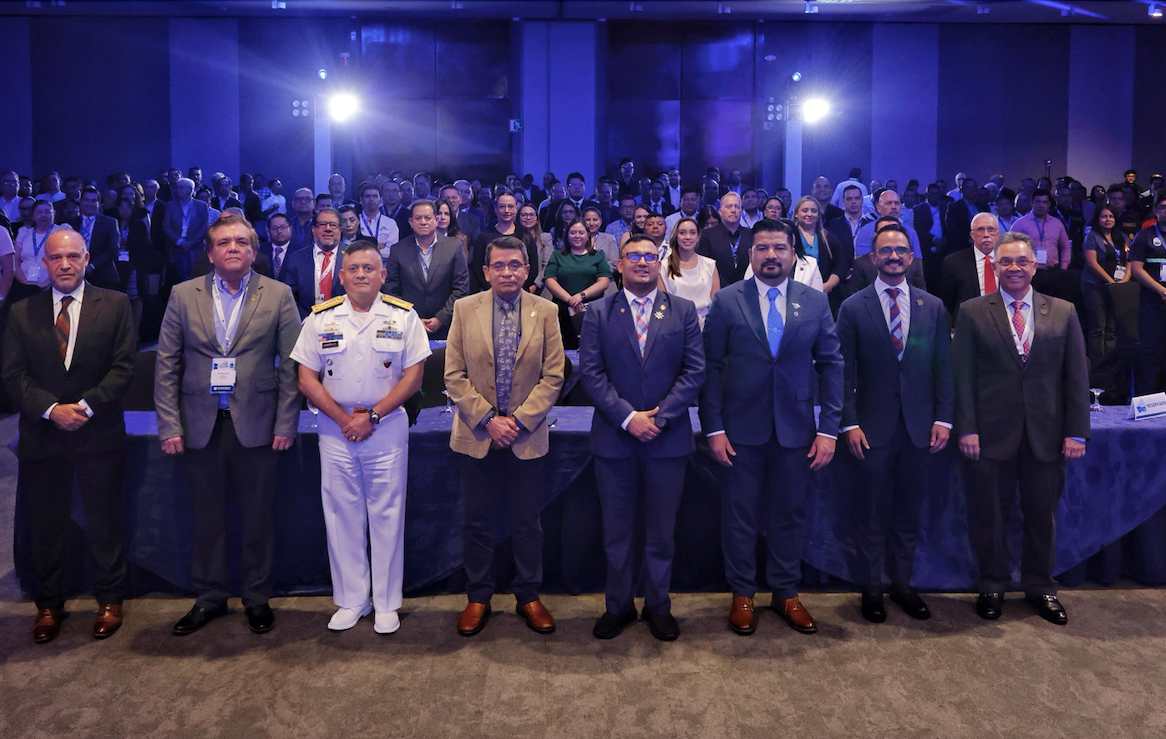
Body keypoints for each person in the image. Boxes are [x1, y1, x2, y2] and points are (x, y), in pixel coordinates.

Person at [155, 212, 301, 637]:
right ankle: (209, 596)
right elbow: (167, 363)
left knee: (257, 517)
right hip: (199, 424)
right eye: (224, 242)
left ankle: (257, 597)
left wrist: (286, 422)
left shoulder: (279, 294)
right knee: (207, 518)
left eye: (241, 242)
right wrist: (170, 425)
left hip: (258, 424)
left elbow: (292, 365)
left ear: (254, 251)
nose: (233, 248)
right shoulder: (183, 295)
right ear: (210, 252)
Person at [700, 218, 843, 636]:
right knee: (740, 516)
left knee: (790, 514)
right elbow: (711, 368)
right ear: (751, 255)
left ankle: (786, 591)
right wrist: (714, 428)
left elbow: (832, 365)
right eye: (762, 248)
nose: (771, 255)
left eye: (779, 248)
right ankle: (742, 593)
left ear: (794, 255)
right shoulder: (727, 301)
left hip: (797, 431)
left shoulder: (814, 302)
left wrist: (828, 429)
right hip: (739, 432)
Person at [2, 229, 135, 643]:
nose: (65, 264)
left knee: (104, 521)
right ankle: (48, 605)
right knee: (46, 525)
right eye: (57, 257)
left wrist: (86, 407)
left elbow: (124, 367)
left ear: (86, 258)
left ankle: (110, 599)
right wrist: (51, 410)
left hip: (98, 432)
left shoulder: (116, 305)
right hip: (43, 435)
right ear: (44, 262)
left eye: (73, 256)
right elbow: (12, 374)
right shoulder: (21, 312)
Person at [292, 241, 429, 634]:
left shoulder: (404, 316)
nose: (361, 274)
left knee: (387, 513)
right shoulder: (321, 318)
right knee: (341, 514)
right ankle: (352, 599)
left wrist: (372, 416)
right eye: (353, 269)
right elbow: (306, 378)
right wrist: (344, 419)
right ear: (342, 275)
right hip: (336, 429)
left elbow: (414, 377)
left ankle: (386, 603)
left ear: (383, 275)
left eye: (369, 268)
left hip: (386, 426)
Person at [953, 232, 1089, 625]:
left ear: (1035, 266)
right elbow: (962, 377)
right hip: (989, 435)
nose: (1014, 268)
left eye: (1022, 261)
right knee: (989, 516)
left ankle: (1040, 586)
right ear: (995, 266)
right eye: (1006, 261)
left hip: (1046, 436)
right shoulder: (972, 311)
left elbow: (1076, 377)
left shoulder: (1063, 311)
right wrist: (967, 428)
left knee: (1041, 517)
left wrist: (1076, 431)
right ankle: (992, 584)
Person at [579, 234, 705, 641]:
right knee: (617, 533)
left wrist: (660, 418)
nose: (642, 262)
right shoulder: (598, 312)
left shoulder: (682, 311)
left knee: (661, 532)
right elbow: (591, 374)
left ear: (659, 264)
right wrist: (628, 417)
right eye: (633, 255)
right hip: (615, 441)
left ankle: (658, 605)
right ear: (619, 265)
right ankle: (617, 606)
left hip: (667, 441)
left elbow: (694, 372)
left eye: (650, 256)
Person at [444, 235, 565, 637]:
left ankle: (528, 594)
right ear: (486, 272)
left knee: (527, 522)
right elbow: (454, 375)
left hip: (526, 436)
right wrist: (488, 420)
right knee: (477, 522)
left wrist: (518, 421)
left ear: (527, 270)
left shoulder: (546, 311)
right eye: (499, 265)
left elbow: (554, 376)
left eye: (515, 265)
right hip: (477, 435)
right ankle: (478, 596)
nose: (508, 272)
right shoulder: (465, 309)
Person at [835, 225, 953, 623]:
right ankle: (871, 588)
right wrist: (849, 422)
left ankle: (902, 584)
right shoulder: (853, 307)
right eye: (885, 250)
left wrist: (943, 418)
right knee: (871, 513)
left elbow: (943, 367)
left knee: (908, 512)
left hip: (920, 428)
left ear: (911, 257)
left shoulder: (932, 307)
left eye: (901, 250)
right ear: (873, 258)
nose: (893, 256)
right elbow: (842, 372)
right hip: (870, 430)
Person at [385, 200, 469, 340]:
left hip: (447, 327)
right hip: (408, 326)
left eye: (428, 218)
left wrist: (441, 318)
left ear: (436, 220)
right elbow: (391, 291)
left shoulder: (454, 247)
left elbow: (461, 289)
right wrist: (413, 318)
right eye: (418, 218)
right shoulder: (397, 250)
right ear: (411, 222)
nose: (423, 222)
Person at [1081, 205, 1129, 400]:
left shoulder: (1121, 237)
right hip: (1095, 287)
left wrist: (1123, 282)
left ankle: (1110, 365)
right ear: (1097, 219)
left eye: (1111, 216)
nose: (1108, 219)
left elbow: (1129, 261)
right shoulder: (1092, 236)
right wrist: (1110, 281)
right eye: (1104, 216)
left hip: (1116, 288)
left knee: (1112, 329)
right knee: (1098, 328)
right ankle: (1098, 368)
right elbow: (1092, 263)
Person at [543, 218, 612, 349]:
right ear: (567, 235)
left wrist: (581, 296)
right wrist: (570, 299)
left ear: (587, 235)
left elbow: (604, 281)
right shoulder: (557, 255)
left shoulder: (598, 255)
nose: (577, 236)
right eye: (573, 232)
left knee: (593, 348)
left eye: (581, 232)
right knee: (564, 349)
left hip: (592, 310)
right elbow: (549, 280)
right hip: (563, 310)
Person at [1128, 193, 1166, 394]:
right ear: (1155, 211)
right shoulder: (1145, 235)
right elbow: (1136, 269)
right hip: (1152, 301)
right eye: (1163, 207)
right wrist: (1161, 290)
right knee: (1151, 350)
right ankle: (1149, 399)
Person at [281, 207, 344, 318]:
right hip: (306, 321)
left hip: (344, 321)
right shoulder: (296, 259)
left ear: (340, 230)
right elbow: (289, 298)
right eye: (322, 224)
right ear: (313, 229)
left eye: (333, 225)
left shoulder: (353, 256)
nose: (328, 229)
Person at [468, 192, 535, 293]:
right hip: (491, 293)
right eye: (502, 207)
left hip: (519, 292)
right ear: (495, 209)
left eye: (510, 206)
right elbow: (478, 268)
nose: (506, 210)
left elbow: (533, 269)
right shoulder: (484, 237)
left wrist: (516, 288)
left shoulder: (526, 236)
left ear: (516, 209)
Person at [940, 212, 1001, 318]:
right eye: (980, 230)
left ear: (998, 234)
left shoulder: (1009, 260)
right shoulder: (953, 262)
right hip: (969, 322)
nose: (986, 234)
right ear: (972, 235)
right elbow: (948, 303)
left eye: (991, 229)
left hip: (1004, 321)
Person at [660, 217, 719, 327]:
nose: (687, 237)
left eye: (692, 233)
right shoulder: (663, 266)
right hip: (676, 325)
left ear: (698, 237)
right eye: (682, 233)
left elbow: (715, 302)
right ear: (676, 236)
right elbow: (662, 303)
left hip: (707, 325)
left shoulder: (710, 264)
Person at [791, 196, 848, 308]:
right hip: (795, 294)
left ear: (818, 215)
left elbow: (841, 265)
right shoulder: (789, 237)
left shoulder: (829, 238)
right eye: (805, 210)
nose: (809, 214)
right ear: (796, 214)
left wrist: (828, 285)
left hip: (825, 294)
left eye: (813, 211)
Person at [11, 200, 67, 302]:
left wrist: (47, 283)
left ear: (54, 213)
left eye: (47, 212)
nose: (43, 215)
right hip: (23, 285)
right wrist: (23, 281)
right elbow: (15, 260)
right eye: (39, 212)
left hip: (52, 286)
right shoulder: (24, 232)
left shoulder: (62, 231)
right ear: (33, 216)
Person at [162, 177, 211, 284]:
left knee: (196, 278)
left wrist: (191, 242)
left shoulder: (201, 206)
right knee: (180, 279)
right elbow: (166, 227)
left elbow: (204, 227)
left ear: (190, 190)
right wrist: (179, 241)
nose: (177, 190)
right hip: (176, 248)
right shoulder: (170, 206)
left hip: (196, 247)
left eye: (181, 187)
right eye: (177, 187)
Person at [697, 192, 751, 287]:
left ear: (741, 211)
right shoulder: (707, 235)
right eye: (729, 207)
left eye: (737, 207)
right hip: (716, 289)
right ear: (720, 211)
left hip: (747, 289)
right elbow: (704, 268)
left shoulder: (750, 234)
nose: (733, 210)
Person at [853, 188, 922, 259]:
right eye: (888, 203)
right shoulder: (866, 231)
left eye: (896, 203)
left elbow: (917, 260)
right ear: (878, 207)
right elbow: (862, 260)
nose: (893, 207)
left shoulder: (910, 232)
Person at [357, 181, 399, 258]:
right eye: (367, 196)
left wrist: (365, 248)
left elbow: (392, 251)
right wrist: (378, 246)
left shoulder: (390, 223)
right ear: (361, 200)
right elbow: (352, 247)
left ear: (381, 200)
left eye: (375, 196)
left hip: (384, 264)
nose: (371, 199)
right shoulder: (355, 221)